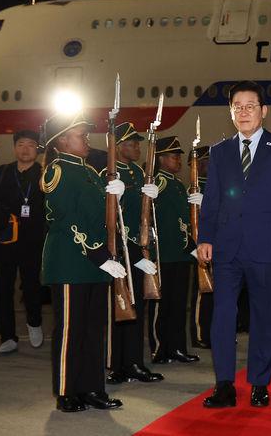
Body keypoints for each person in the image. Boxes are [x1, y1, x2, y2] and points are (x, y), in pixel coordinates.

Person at [198, 80, 271, 409]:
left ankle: (259, 383)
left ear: (263, 111)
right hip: (227, 248)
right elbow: (212, 198)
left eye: (250, 106)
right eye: (237, 107)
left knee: (264, 317)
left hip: (268, 246)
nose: (244, 112)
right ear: (230, 112)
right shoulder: (220, 152)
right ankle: (224, 385)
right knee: (222, 317)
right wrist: (205, 237)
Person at [40, 113, 128, 412]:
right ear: (63, 141)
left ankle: (92, 387)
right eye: (81, 135)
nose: (87, 139)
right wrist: (99, 254)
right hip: (70, 263)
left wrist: (117, 197)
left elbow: (101, 218)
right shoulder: (58, 171)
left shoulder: (89, 171)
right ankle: (66, 391)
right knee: (70, 331)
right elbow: (66, 219)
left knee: (93, 330)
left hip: (95, 264)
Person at [102, 122, 163, 384]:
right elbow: (107, 217)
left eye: (138, 144)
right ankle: (116, 364)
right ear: (117, 147)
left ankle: (134, 361)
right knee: (119, 307)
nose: (137, 148)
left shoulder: (138, 172)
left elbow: (143, 215)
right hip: (119, 249)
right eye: (131, 144)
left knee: (136, 308)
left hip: (138, 247)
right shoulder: (108, 173)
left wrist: (153, 199)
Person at [0, 130, 46, 356]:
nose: (25, 149)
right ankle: (7, 337)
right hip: (5, 239)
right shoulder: (2, 172)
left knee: (31, 286)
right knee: (3, 288)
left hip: (33, 240)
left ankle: (34, 323)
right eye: (21, 144)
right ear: (15, 148)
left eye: (30, 144)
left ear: (37, 149)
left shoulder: (44, 173)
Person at [149, 136, 200, 364]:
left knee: (179, 304)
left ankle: (177, 347)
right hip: (164, 253)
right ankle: (159, 347)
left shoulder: (178, 185)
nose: (178, 160)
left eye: (179, 157)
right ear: (161, 159)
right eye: (173, 156)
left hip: (180, 253)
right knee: (162, 304)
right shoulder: (158, 182)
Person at [190, 145, 214, 350]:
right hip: (202, 246)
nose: (210, 165)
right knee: (202, 293)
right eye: (205, 161)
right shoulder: (193, 188)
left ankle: (213, 332)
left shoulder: (214, 184)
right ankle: (200, 334)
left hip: (218, 245)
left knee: (216, 294)